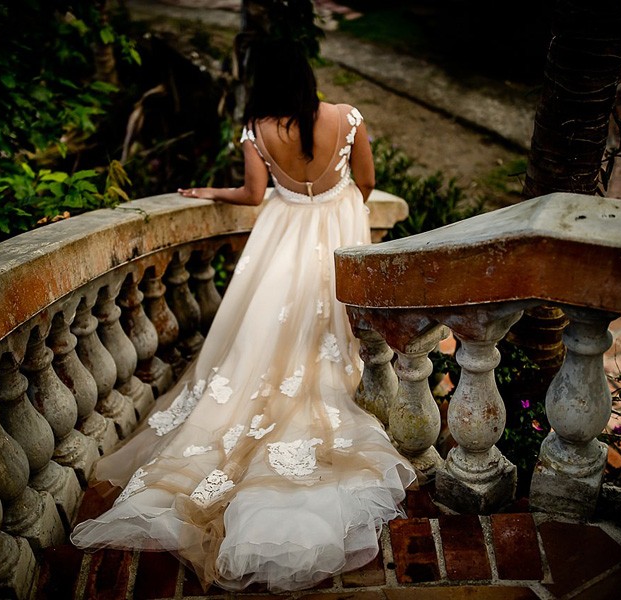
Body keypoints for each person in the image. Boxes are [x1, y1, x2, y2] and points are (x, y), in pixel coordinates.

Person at [69, 37, 417, 593]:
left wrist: (209, 190)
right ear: (307, 76)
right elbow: (368, 183)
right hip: (337, 233)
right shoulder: (347, 118)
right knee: (326, 331)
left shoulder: (258, 128)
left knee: (260, 335)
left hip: (280, 240)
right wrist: (340, 203)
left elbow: (255, 196)